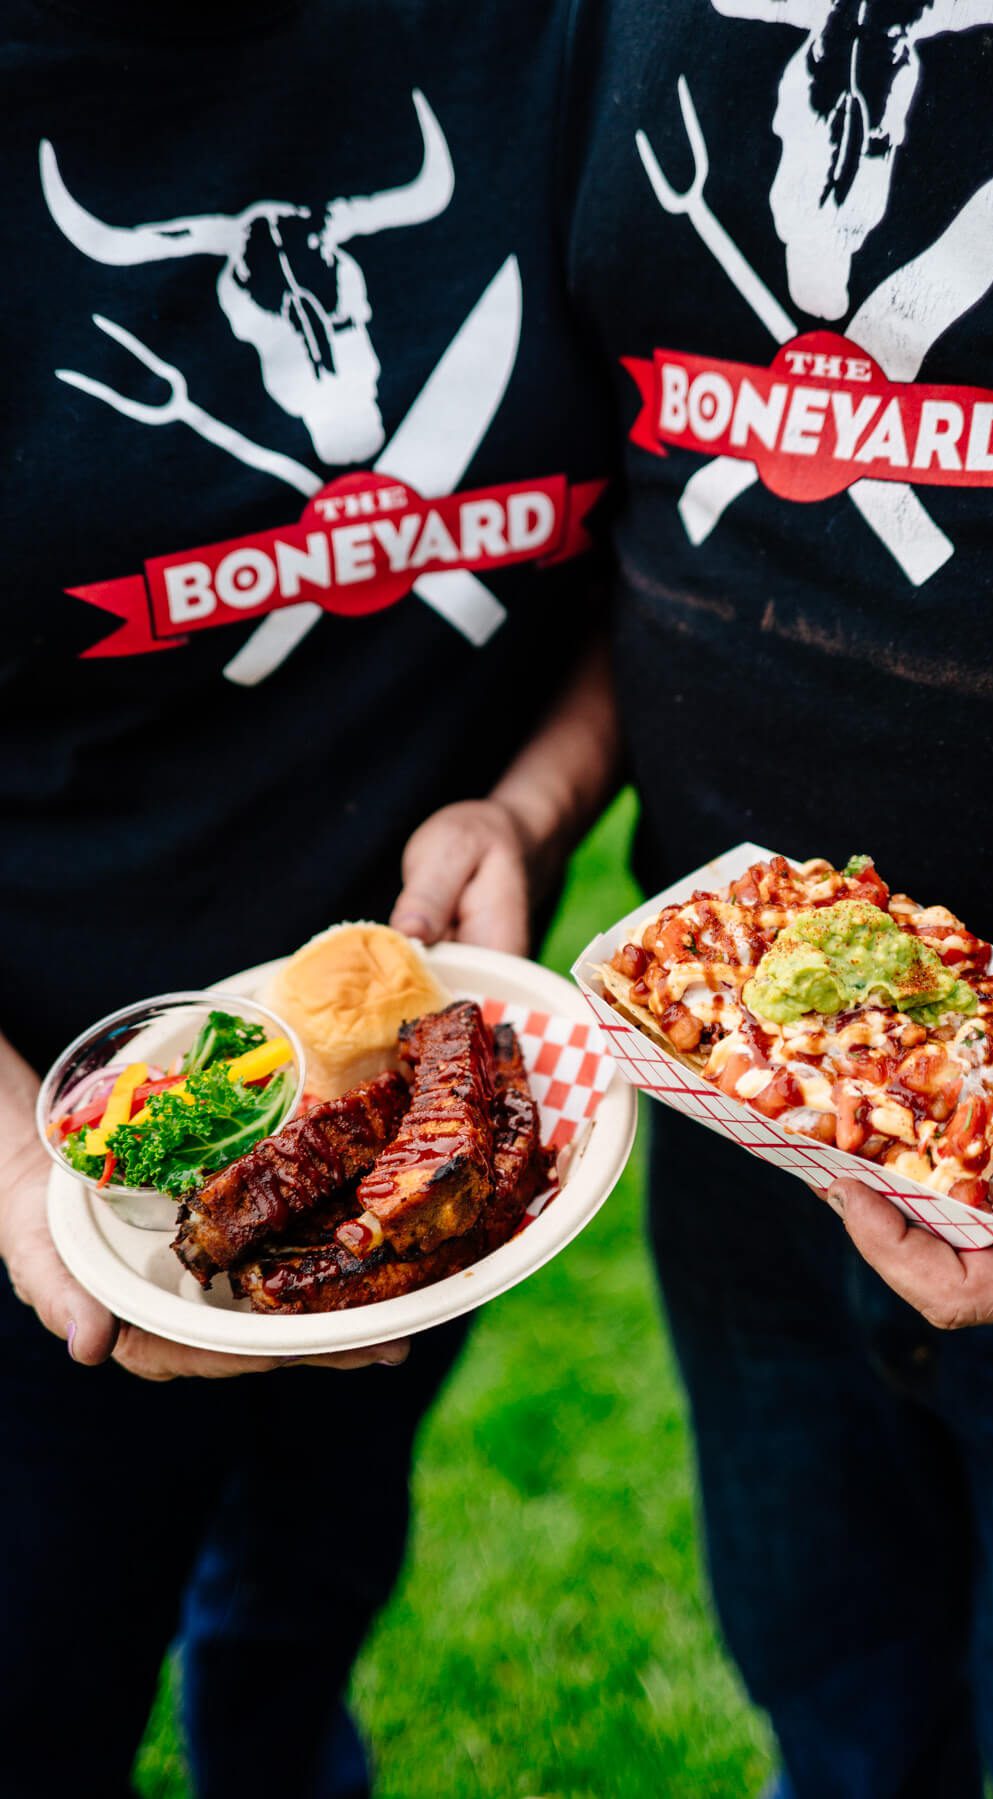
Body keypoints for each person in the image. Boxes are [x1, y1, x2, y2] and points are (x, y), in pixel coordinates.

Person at [408, 2, 993, 1792]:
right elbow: (674, 497)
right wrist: (535, 804)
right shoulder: (609, 22)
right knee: (830, 1695)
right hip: (737, 1106)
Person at [0, 4, 612, 1795]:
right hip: (58, 1161)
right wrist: (19, 1169)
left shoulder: (552, 43)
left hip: (432, 1090)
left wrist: (529, 798)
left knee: (311, 1568)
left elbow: (666, 536)